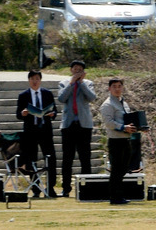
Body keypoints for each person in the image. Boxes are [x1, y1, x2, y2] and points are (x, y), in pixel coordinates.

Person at [16, 69, 58, 197]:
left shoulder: (47, 93)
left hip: (45, 130)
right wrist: (22, 114)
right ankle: (35, 188)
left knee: (50, 159)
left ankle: (50, 188)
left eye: (37, 79)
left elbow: (55, 110)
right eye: (32, 79)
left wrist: (52, 114)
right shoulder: (23, 95)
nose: (35, 81)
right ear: (29, 80)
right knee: (31, 160)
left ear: (40, 80)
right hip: (30, 131)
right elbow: (18, 114)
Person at [58, 59, 96, 197]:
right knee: (67, 159)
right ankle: (66, 188)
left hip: (84, 125)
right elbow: (61, 98)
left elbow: (92, 97)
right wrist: (71, 83)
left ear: (84, 72)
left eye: (80, 70)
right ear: (71, 70)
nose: (77, 71)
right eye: (75, 69)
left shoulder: (88, 83)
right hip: (68, 125)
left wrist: (81, 83)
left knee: (85, 157)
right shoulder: (63, 83)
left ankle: (87, 187)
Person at [100, 77, 136, 205]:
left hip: (126, 139)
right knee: (116, 169)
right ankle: (115, 197)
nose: (117, 89)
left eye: (119, 86)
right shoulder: (107, 104)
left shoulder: (123, 103)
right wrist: (123, 127)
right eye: (114, 86)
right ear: (109, 89)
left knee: (124, 168)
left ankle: (119, 194)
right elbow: (108, 123)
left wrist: (138, 127)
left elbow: (127, 119)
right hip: (115, 140)